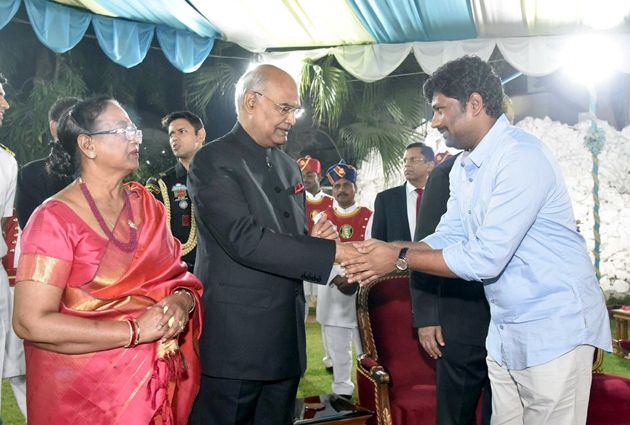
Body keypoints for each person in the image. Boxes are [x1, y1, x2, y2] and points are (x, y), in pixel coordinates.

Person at [342, 55, 611, 425]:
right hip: (505, 332)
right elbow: (450, 234)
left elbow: (484, 258)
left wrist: (399, 258)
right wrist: (388, 249)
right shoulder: (465, 167)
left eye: (440, 110)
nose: (434, 122)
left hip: (552, 329)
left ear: (474, 104)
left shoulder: (520, 156)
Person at [13, 96, 203, 425]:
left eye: (134, 129)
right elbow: (30, 321)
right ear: (87, 145)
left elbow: (180, 278)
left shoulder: (149, 207)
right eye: (122, 129)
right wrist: (132, 331)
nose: (135, 137)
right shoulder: (53, 220)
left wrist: (181, 302)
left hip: (155, 389)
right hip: (84, 398)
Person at [187, 64, 355, 425]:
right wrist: (331, 251)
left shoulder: (288, 166)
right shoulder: (212, 160)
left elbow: (287, 240)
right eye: (284, 108)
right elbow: (244, 241)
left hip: (285, 339)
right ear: (251, 101)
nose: (291, 119)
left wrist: (313, 242)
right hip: (238, 343)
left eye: (294, 110)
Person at [411, 152, 491, 425]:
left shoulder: (516, 163)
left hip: (512, 321)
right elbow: (427, 243)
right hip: (461, 314)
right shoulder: (447, 172)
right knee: (455, 414)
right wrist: (427, 315)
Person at [316, 160, 371, 399]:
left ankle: (370, 392)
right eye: (337, 185)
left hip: (363, 292)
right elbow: (316, 251)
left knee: (367, 348)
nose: (341, 190)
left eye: (346, 184)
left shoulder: (370, 216)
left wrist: (355, 278)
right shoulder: (323, 218)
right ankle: (342, 394)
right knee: (338, 350)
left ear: (355, 188)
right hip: (333, 293)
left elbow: (373, 251)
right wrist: (336, 278)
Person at [0, 73, 27, 423]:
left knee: (19, 365)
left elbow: (9, 230)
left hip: (1, 287)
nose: (5, 104)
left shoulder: (6, 163)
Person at [146, 111, 205, 271]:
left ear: (200, 135)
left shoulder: (221, 176)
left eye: (182, 131)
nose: (174, 138)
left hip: (220, 272)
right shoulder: (160, 184)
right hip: (181, 272)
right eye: (171, 134)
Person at [16, 96, 82, 228]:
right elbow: (31, 226)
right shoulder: (32, 174)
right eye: (71, 123)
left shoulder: (100, 170)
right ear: (54, 126)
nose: (77, 130)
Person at [371, 142, 434, 242]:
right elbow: (378, 242)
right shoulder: (385, 199)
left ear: (430, 165)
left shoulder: (442, 197)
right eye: (405, 161)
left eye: (413, 160)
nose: (407, 165)